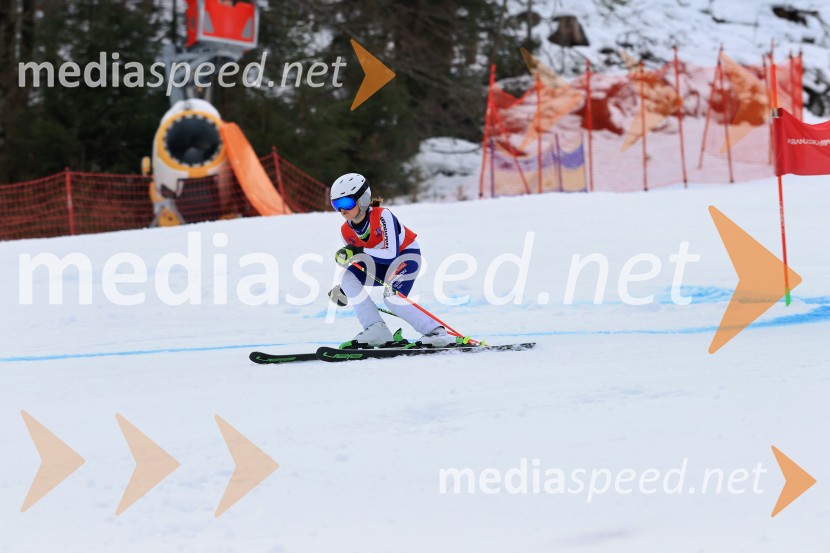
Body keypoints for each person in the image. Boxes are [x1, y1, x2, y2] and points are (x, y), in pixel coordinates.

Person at [328, 172, 454, 348]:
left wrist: (357, 251)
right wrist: (344, 289)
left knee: (392, 298)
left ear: (362, 199)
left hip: (405, 257)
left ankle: (436, 332)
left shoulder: (383, 216)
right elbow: (360, 262)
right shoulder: (345, 231)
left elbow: (390, 254)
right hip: (378, 265)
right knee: (346, 277)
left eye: (346, 202)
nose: (342, 209)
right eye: (336, 204)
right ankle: (376, 329)